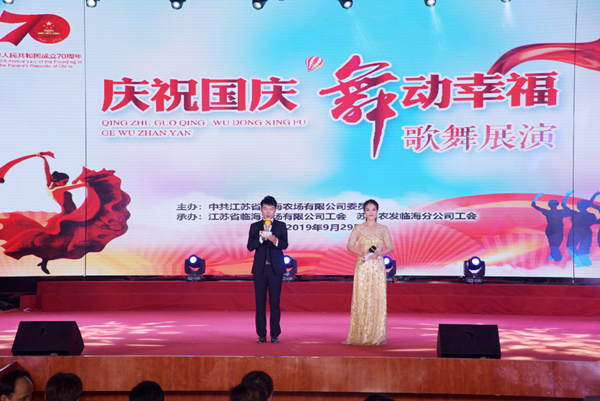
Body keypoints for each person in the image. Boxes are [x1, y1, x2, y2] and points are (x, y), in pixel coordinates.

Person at [0, 152, 130, 274]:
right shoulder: (58, 190)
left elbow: (47, 173)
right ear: (57, 181)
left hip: (70, 215)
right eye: (64, 182)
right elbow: (77, 186)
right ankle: (45, 259)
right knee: (70, 239)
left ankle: (45, 260)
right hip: (69, 216)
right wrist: (80, 181)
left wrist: (43, 158)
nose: (66, 183)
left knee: (64, 240)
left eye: (66, 182)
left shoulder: (50, 186)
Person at [343, 199, 394, 346]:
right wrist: (361, 253)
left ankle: (376, 334)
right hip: (363, 265)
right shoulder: (358, 228)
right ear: (364, 212)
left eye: (373, 209)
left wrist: (379, 254)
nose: (371, 212)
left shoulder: (383, 228)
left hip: (377, 266)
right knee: (362, 297)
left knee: (376, 298)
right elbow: (349, 246)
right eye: (368, 209)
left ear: (377, 212)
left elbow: (390, 247)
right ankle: (360, 334)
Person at [247, 196, 289, 344]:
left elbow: (285, 245)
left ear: (275, 210)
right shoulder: (255, 226)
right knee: (260, 303)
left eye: (271, 209)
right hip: (260, 270)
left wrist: (274, 240)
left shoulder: (281, 226)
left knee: (275, 303)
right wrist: (260, 238)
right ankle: (261, 334)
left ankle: (275, 334)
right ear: (261, 210)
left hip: (275, 270)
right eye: (265, 209)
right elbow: (249, 247)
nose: (268, 212)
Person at [531, 192, 571, 261]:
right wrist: (566, 196)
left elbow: (533, 205)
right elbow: (568, 211)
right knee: (554, 246)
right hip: (555, 230)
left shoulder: (548, 212)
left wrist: (536, 197)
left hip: (553, 230)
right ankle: (558, 258)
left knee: (555, 245)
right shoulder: (560, 212)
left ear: (549, 205)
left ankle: (552, 256)